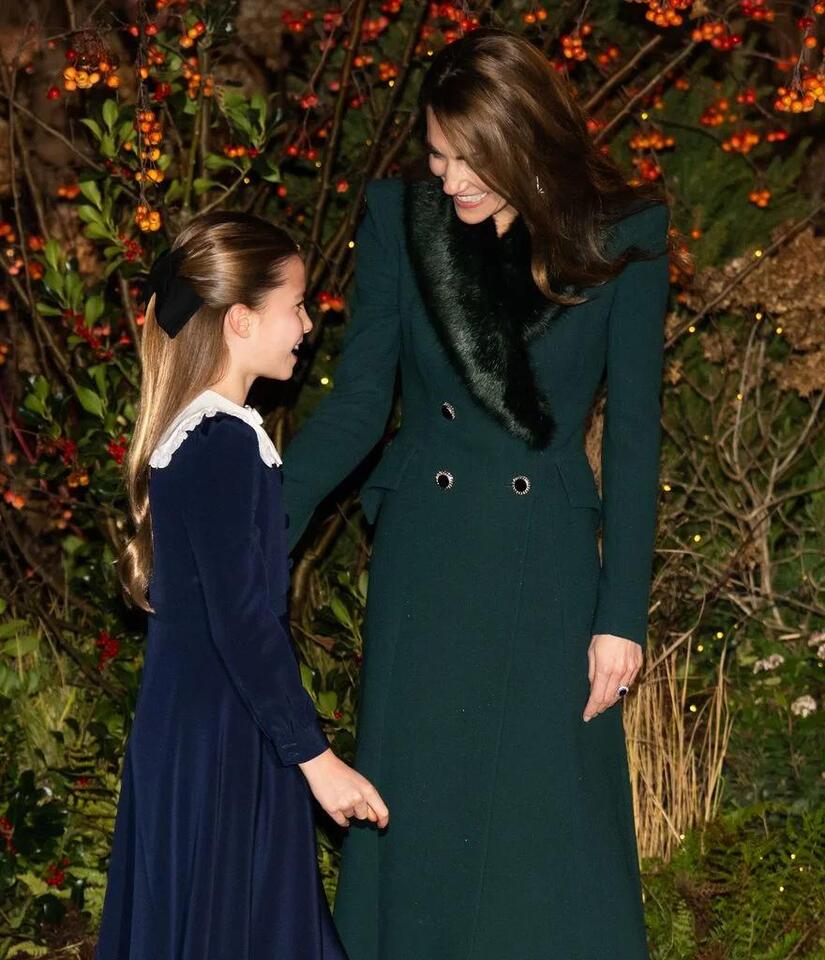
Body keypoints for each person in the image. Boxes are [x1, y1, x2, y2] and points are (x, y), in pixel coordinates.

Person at [282, 27, 674, 960]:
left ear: (525, 138)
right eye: (436, 154)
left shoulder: (623, 232)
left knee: (544, 823)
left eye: (473, 159)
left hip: (546, 567)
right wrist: (258, 516)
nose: (451, 180)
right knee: (421, 812)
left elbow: (632, 435)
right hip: (429, 556)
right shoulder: (400, 221)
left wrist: (620, 614)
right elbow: (358, 404)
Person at [96, 210, 388, 960]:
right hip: (222, 741)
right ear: (240, 320)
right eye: (296, 306)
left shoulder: (204, 437)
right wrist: (316, 759)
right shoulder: (220, 441)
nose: (308, 326)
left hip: (205, 734)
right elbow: (244, 621)